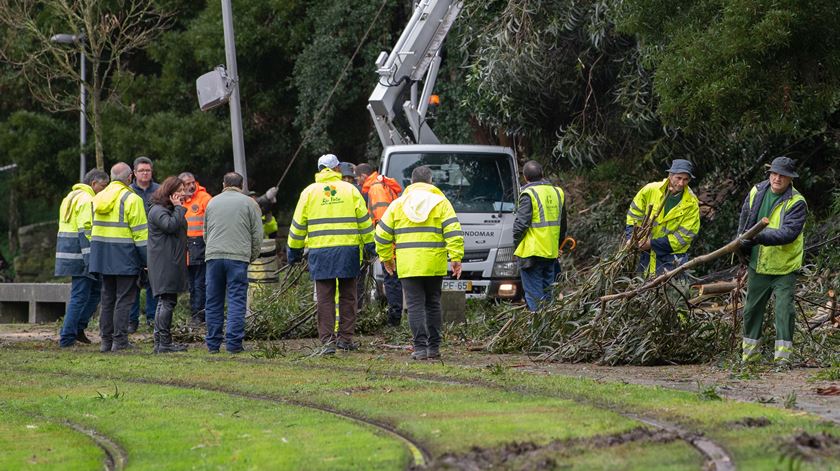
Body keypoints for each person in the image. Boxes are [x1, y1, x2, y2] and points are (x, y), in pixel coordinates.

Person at [287, 154, 374, 355]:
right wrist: (371, 246)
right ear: (337, 169)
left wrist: (294, 251)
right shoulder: (351, 190)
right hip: (348, 252)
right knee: (348, 297)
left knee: (325, 298)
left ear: (319, 170)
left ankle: (327, 342)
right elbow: (364, 221)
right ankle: (345, 339)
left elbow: (298, 225)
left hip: (321, 252)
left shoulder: (308, 192)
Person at [374, 165, 464, 360]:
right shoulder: (442, 202)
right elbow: (453, 231)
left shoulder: (398, 204)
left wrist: (386, 258)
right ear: (431, 181)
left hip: (409, 265)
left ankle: (420, 349)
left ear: (411, 182)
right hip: (434, 263)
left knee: (414, 305)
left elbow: (381, 235)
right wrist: (455, 257)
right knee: (433, 303)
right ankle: (434, 348)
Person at [737, 156, 807, 368]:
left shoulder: (797, 202)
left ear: (790, 179)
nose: (777, 178)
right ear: (769, 174)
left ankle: (782, 360)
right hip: (758, 263)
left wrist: (757, 237)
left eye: (782, 175)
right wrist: (741, 245)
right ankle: (749, 359)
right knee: (750, 311)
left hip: (785, 266)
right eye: (774, 174)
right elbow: (745, 221)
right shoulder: (756, 191)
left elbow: (788, 233)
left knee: (784, 311)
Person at [89, 162, 148, 352]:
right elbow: (140, 234)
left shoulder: (98, 197)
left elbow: (91, 229)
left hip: (102, 256)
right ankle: (120, 341)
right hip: (124, 255)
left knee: (107, 299)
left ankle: (106, 341)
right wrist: (147, 260)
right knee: (124, 299)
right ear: (130, 177)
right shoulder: (132, 198)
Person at [204, 172, 262, 354]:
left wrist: (212, 249)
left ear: (223, 184)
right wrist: (251, 256)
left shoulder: (212, 202)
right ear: (242, 185)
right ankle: (233, 344)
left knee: (213, 300)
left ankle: (213, 344)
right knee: (236, 300)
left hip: (214, 256)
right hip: (238, 257)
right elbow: (257, 234)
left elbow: (205, 232)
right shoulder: (249, 203)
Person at [55, 169, 110, 347]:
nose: (104, 191)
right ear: (94, 183)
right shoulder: (87, 200)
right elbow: (86, 230)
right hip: (82, 255)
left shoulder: (70, 197)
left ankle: (77, 328)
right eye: (103, 186)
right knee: (80, 296)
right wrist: (91, 260)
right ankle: (68, 337)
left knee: (94, 291)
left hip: (69, 252)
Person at [625, 159, 700, 276]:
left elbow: (685, 236)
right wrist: (632, 236)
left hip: (672, 258)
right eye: (678, 178)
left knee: (669, 290)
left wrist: (652, 243)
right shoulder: (650, 190)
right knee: (641, 288)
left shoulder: (691, 203)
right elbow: (634, 214)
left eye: (685, 180)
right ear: (670, 175)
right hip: (646, 254)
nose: (681, 183)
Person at [513, 161, 567, 312]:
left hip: (531, 254)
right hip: (550, 252)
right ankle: (548, 329)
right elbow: (563, 224)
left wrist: (516, 245)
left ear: (525, 177)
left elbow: (520, 225)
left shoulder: (528, 194)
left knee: (535, 297)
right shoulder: (558, 192)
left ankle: (539, 332)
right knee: (548, 294)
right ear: (542, 174)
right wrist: (558, 246)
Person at [356, 163, 404, 326]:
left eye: (357, 178)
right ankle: (395, 318)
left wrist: (383, 247)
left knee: (391, 281)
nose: (357, 183)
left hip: (389, 245)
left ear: (363, 176)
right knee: (394, 281)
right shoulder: (382, 185)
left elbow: (383, 220)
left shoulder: (376, 189)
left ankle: (394, 321)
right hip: (393, 242)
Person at [147, 176, 190, 353]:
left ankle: (161, 342)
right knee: (166, 301)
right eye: (179, 190)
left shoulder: (167, 209)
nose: (182, 193)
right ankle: (163, 343)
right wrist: (179, 208)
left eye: (183, 190)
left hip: (170, 260)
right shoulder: (158, 211)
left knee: (165, 300)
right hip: (165, 262)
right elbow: (170, 226)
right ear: (169, 192)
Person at [129, 156, 160, 332]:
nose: (145, 173)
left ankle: (152, 319)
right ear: (134, 173)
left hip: (154, 244)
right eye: (141, 170)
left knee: (153, 283)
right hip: (132, 244)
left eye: (148, 170)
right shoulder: (128, 192)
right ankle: (131, 321)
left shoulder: (158, 191)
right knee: (133, 284)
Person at [179, 172, 212, 325]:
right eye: (187, 184)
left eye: (192, 182)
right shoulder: (178, 200)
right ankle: (196, 314)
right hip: (185, 246)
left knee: (199, 283)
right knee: (192, 285)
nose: (191, 186)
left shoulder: (204, 198)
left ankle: (200, 315)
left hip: (200, 245)